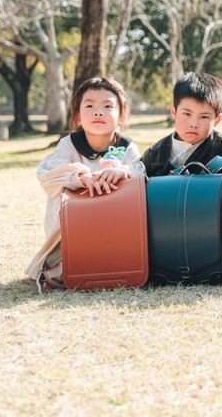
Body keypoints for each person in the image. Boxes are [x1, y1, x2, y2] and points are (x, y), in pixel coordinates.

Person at [26, 77, 144, 288]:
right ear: (78, 116)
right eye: (90, 106)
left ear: (121, 116)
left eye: (107, 106)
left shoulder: (127, 148)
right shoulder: (69, 145)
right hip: (74, 228)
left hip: (114, 223)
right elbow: (47, 174)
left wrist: (122, 172)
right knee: (64, 269)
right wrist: (80, 177)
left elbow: (140, 176)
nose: (98, 112)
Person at [140, 72, 222, 177]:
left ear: (217, 120)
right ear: (174, 112)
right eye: (187, 114)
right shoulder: (154, 154)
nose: (194, 124)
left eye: (204, 117)